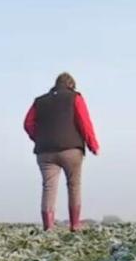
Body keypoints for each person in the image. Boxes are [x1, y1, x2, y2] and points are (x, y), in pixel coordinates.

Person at [23, 72, 100, 231]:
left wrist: (39, 138)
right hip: (71, 150)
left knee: (48, 187)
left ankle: (49, 227)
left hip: (45, 152)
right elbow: (84, 123)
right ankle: (75, 224)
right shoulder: (75, 97)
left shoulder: (39, 101)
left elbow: (28, 123)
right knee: (74, 185)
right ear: (71, 85)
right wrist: (93, 145)